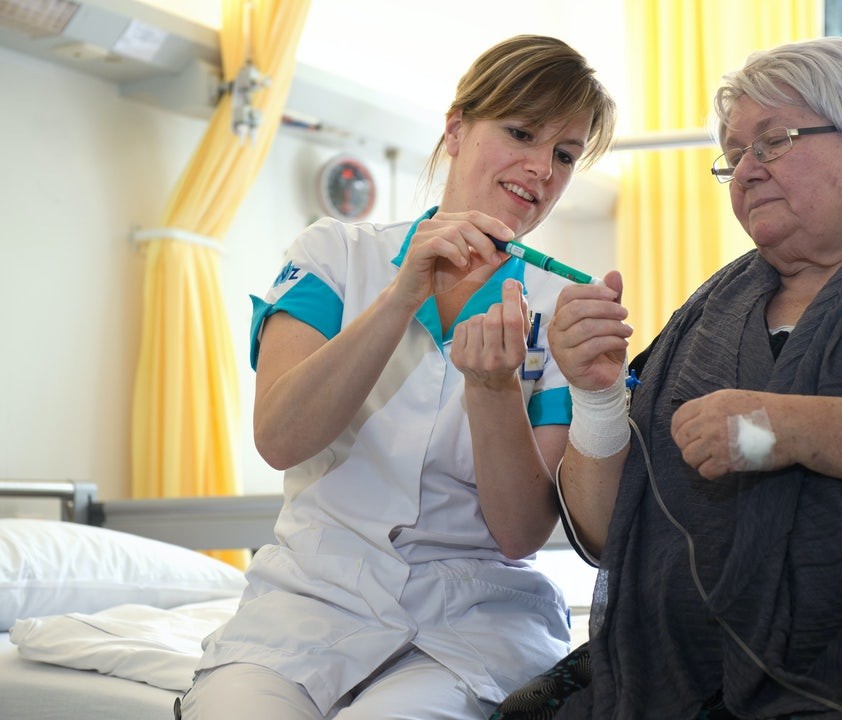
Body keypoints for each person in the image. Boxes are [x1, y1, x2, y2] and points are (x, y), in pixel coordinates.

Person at [533, 37, 842, 718]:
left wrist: (774, 428)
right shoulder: (698, 324)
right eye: (733, 156)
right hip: (678, 676)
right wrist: (596, 395)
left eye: (775, 140)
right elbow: (609, 532)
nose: (746, 172)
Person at [177, 35, 616, 720]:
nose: (540, 168)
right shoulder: (335, 255)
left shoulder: (558, 315)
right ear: (456, 128)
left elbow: (520, 534)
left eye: (564, 154)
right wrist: (402, 294)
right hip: (308, 609)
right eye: (522, 132)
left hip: (472, 622)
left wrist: (494, 388)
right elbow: (281, 438)